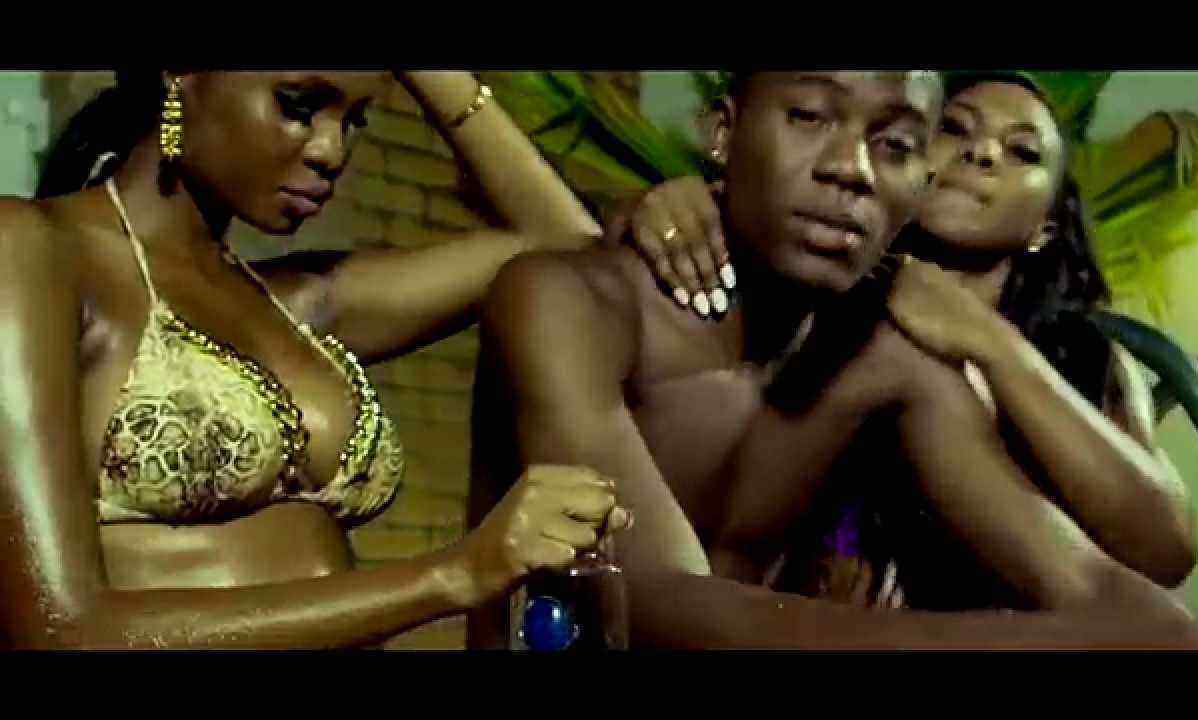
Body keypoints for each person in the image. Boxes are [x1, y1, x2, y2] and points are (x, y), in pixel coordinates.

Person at [469, 71, 1198, 649]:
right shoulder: (571, 300)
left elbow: (1106, 579)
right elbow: (656, 599)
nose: (851, 169)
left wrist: (1177, 638)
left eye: (895, 145)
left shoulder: (898, 355)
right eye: (809, 116)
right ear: (723, 133)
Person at [0, 69, 733, 649]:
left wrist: (439, 78)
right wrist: (453, 574)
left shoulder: (297, 305)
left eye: (354, 120)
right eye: (299, 105)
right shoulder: (33, 249)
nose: (331, 151)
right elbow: (59, 630)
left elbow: (568, 255)